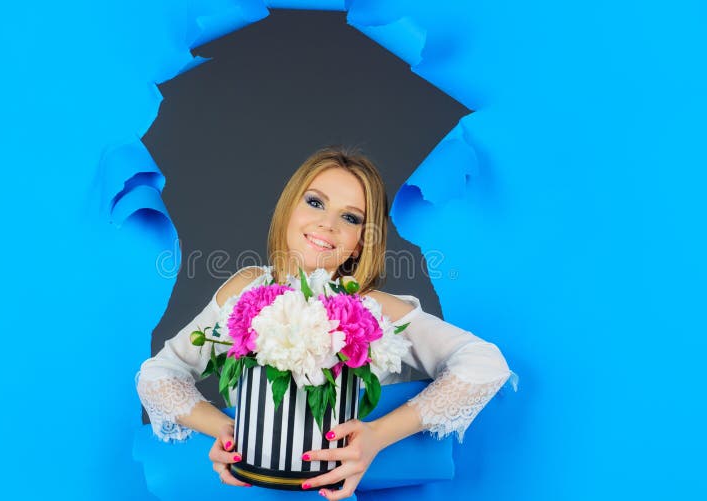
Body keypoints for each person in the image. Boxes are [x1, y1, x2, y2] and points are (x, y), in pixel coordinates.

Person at [135, 146, 515, 500]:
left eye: (350, 217)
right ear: (289, 207)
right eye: (315, 202)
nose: (327, 224)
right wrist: (225, 431)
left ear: (362, 241)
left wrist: (378, 436)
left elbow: (484, 363)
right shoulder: (245, 288)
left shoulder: (373, 310)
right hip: (250, 489)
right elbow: (159, 373)